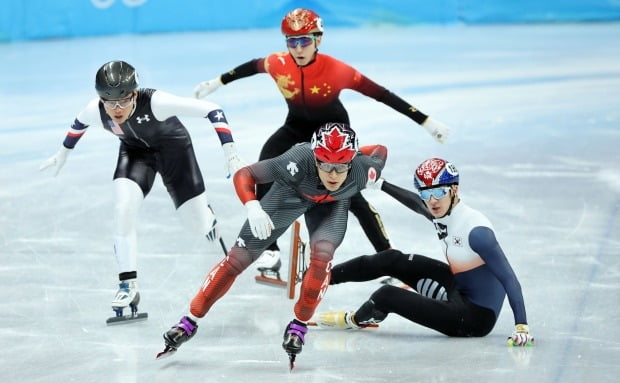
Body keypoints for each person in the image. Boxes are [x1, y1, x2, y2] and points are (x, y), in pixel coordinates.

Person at [192, 8, 450, 273]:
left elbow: (382, 95)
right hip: (295, 127)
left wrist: (426, 121)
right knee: (267, 166)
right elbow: (251, 66)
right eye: (292, 41)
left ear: (319, 40)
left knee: (352, 196)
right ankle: (270, 250)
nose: (298, 48)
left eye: (305, 40)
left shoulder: (337, 70)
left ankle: (389, 256)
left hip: (333, 133)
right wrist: (217, 82)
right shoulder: (277, 63)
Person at [159, 123, 388, 365]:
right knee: (236, 260)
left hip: (333, 206)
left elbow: (381, 150)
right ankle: (189, 321)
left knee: (322, 257)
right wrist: (253, 206)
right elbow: (245, 174)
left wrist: (359, 155)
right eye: (325, 164)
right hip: (289, 195)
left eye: (340, 166)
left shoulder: (364, 169)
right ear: (314, 156)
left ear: (352, 161)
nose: (332, 174)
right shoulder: (298, 159)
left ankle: (299, 325)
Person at [40, 60, 245, 317]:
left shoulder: (156, 102)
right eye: (108, 101)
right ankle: (127, 284)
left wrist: (231, 151)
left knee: (198, 226)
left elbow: (213, 109)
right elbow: (78, 124)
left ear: (135, 94)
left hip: (175, 152)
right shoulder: (97, 108)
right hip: (135, 155)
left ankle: (207, 217)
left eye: (123, 100)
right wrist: (62, 154)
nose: (116, 109)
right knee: (123, 209)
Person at [314, 158, 534, 347]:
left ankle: (354, 320)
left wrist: (521, 326)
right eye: (426, 193)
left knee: (386, 295)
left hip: (475, 317)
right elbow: (418, 205)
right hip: (458, 288)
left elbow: (509, 279)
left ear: (454, 190)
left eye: (438, 192)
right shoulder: (442, 211)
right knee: (390, 259)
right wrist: (379, 184)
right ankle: (321, 277)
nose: (432, 201)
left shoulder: (477, 232)